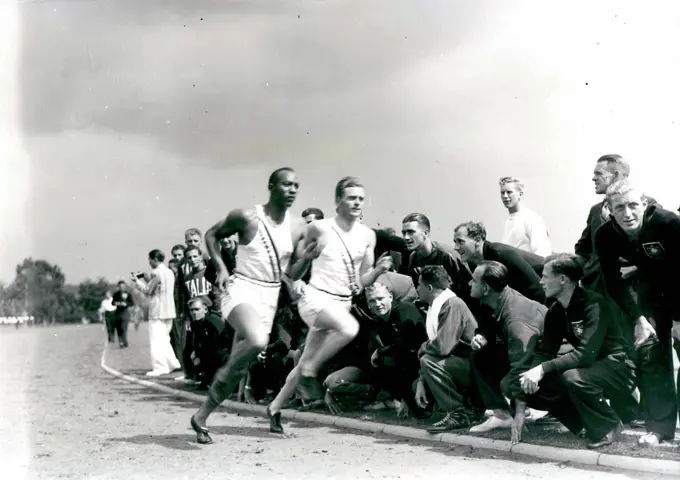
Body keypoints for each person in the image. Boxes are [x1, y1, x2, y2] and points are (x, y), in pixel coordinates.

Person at [266, 176, 393, 434]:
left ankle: (275, 407)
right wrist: (307, 259)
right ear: (338, 201)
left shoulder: (368, 235)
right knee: (348, 329)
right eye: (351, 197)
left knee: (303, 362)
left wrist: (378, 271)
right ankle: (313, 368)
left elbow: (362, 280)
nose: (357, 202)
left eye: (360, 198)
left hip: (341, 304)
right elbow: (294, 270)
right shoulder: (320, 228)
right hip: (316, 299)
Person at [189, 167, 305, 445]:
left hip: (270, 296)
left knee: (239, 367)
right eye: (286, 184)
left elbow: (294, 272)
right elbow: (211, 235)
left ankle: (201, 417)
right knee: (256, 340)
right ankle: (226, 373)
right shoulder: (246, 217)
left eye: (296, 186)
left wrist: (307, 260)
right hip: (241, 288)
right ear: (271, 186)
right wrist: (219, 267)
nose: (292, 190)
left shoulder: (298, 227)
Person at [508, 253, 637, 449]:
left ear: (562, 280)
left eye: (545, 276)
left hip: (618, 367)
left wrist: (542, 369)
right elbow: (545, 352)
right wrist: (531, 378)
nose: (540, 281)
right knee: (531, 383)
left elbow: (585, 354)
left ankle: (609, 425)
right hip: (591, 369)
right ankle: (582, 425)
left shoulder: (594, 304)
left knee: (572, 377)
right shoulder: (556, 311)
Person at [594, 180, 679, 446]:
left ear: (644, 204)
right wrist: (639, 319)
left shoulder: (668, 223)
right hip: (651, 298)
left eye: (633, 205)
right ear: (609, 209)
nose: (628, 213)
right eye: (619, 207)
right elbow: (614, 282)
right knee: (651, 355)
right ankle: (660, 429)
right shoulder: (605, 235)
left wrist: (678, 319)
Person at [466, 261, 547, 434]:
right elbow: (487, 325)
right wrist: (482, 336)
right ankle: (501, 415)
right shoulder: (494, 299)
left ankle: (550, 411)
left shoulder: (516, 318)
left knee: (509, 384)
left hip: (554, 357)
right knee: (480, 355)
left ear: (486, 288)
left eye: (474, 280)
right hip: (533, 352)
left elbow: (520, 366)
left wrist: (519, 415)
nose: (469, 283)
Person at [413, 266, 481, 430]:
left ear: (429, 288)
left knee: (428, 360)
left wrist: (423, 346)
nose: (417, 289)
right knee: (421, 372)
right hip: (465, 365)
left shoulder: (452, 304)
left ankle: (459, 414)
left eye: (419, 285)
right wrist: (422, 381)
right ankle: (466, 409)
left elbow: (443, 347)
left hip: (479, 369)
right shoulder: (436, 305)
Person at [453, 221, 545, 304]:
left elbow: (538, 290)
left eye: (460, 241)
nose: (455, 247)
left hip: (546, 281)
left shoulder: (502, 255)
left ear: (477, 240)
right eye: (455, 242)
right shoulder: (473, 260)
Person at [132, 249, 181, 376]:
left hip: (157, 310)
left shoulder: (156, 273)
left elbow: (148, 290)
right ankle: (172, 363)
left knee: (156, 340)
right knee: (165, 339)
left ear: (154, 259)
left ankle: (160, 367)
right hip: (169, 310)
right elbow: (159, 286)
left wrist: (137, 281)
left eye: (150, 260)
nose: (149, 262)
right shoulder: (169, 272)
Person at [499, 176, 552, 257]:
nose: (505, 196)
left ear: (520, 194)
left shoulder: (531, 218)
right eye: (502, 193)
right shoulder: (507, 222)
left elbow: (543, 253)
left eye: (509, 192)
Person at [111, 281, 134, 348]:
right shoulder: (116, 294)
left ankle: (124, 341)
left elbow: (132, 303)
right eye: (120, 286)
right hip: (117, 314)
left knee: (124, 328)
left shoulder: (128, 294)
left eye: (123, 286)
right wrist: (116, 303)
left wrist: (126, 304)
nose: (122, 288)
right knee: (118, 329)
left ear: (125, 286)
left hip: (125, 313)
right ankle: (121, 341)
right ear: (118, 287)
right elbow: (112, 303)